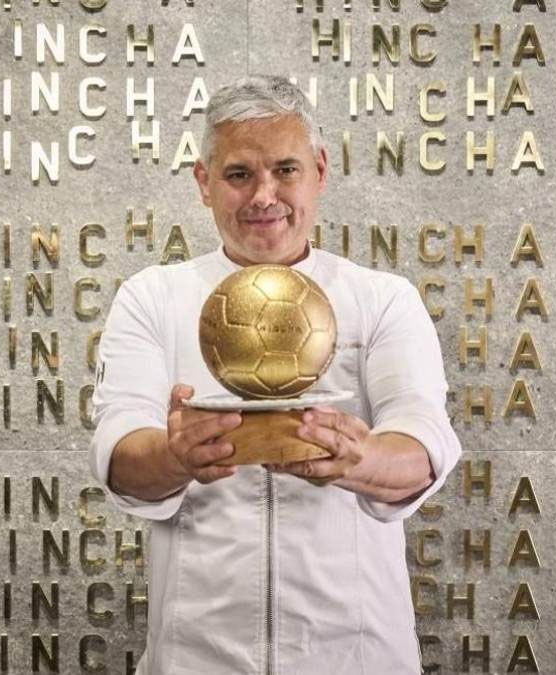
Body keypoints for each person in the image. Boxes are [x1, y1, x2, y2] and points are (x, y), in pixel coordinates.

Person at [89, 75, 461, 674]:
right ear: (204, 183)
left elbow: (423, 442)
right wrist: (176, 455)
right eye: (239, 174)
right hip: (196, 658)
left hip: (356, 656)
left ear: (319, 170)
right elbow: (119, 451)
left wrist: (359, 458)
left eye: (285, 170)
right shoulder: (152, 298)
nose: (264, 196)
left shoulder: (382, 299)